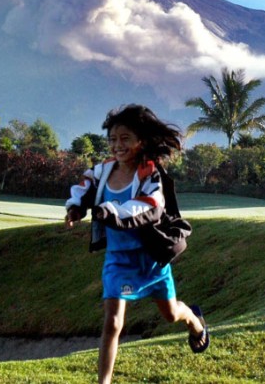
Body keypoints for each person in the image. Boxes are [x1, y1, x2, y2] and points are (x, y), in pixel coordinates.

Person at [65, 104, 209, 384]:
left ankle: (193, 320)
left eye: (125, 139)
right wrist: (74, 209)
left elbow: (150, 207)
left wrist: (111, 212)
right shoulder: (102, 172)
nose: (117, 145)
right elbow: (84, 189)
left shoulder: (150, 174)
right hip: (118, 260)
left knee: (170, 315)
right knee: (113, 322)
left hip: (151, 259)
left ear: (140, 140)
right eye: (113, 139)